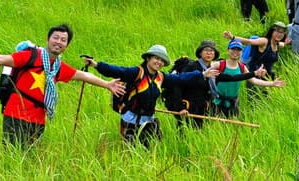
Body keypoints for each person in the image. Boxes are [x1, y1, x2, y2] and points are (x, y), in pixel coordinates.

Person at [0, 24, 125, 149]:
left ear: (66, 45)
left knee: (29, 157)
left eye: (63, 40)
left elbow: (83, 75)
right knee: (12, 155)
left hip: (38, 119)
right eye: (55, 37)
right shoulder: (31, 56)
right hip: (16, 114)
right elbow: (2, 59)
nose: (58, 42)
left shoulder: (57, 67)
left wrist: (107, 84)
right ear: (48, 39)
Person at [83, 44, 218, 147]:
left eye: (162, 60)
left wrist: (202, 74)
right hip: (131, 121)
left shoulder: (161, 77)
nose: (159, 62)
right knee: (132, 151)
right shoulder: (137, 73)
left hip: (150, 120)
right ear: (148, 58)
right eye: (156, 58)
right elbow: (117, 70)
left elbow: (180, 78)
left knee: (153, 149)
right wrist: (96, 65)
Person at [163, 39, 262, 129]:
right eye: (206, 50)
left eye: (212, 51)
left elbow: (232, 78)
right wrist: (180, 108)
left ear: (215, 54)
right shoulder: (192, 67)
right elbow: (178, 85)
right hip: (188, 108)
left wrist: (254, 73)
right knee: (184, 133)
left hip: (202, 108)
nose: (209, 53)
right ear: (200, 53)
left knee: (199, 134)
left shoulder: (212, 70)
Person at [209, 39, 286, 118]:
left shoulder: (242, 67)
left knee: (231, 123)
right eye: (233, 49)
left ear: (242, 52)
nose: (235, 52)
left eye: (238, 49)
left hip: (233, 103)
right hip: (216, 101)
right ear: (228, 50)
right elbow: (205, 67)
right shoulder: (219, 65)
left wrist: (272, 83)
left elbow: (253, 80)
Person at [222, 21, 289, 80]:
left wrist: (286, 43)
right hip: (255, 74)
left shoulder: (276, 44)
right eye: (277, 31)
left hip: (267, 76)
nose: (279, 34)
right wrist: (233, 37)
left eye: (282, 32)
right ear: (272, 32)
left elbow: (282, 44)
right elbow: (249, 41)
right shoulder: (264, 41)